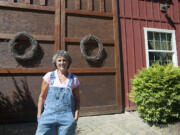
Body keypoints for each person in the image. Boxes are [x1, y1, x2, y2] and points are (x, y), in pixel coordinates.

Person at [35, 50, 80, 135]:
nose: (62, 63)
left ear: (68, 62)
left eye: (64, 60)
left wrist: (76, 115)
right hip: (48, 116)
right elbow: (42, 97)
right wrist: (39, 115)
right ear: (55, 62)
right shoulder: (49, 76)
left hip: (67, 117)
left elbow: (77, 99)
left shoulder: (74, 79)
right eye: (59, 60)